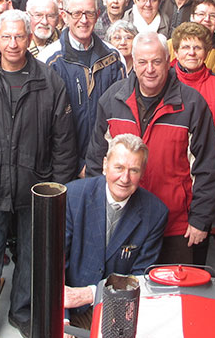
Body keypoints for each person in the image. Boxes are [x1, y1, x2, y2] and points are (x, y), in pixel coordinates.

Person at [0, 10, 79, 338]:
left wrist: (58, 188)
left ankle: (21, 312)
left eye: (19, 37)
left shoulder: (49, 80)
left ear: (29, 39)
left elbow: (64, 139)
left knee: (30, 259)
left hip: (35, 188)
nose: (13, 44)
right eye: (6, 37)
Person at [86, 31, 215, 265]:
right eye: (143, 62)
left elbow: (207, 167)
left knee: (172, 296)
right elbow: (97, 162)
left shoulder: (191, 105)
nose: (149, 69)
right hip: (123, 222)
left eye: (156, 61)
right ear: (133, 64)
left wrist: (200, 220)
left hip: (176, 225)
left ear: (169, 62)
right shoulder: (112, 100)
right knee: (126, 291)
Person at [62, 134, 168, 328]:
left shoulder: (156, 213)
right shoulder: (72, 197)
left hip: (118, 310)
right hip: (69, 307)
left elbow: (140, 279)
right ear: (104, 165)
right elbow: (55, 265)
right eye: (118, 167)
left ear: (142, 173)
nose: (125, 178)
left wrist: (93, 293)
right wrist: (64, 321)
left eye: (133, 170)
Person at [39, 0, 126, 170]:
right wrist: (77, 165)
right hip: (63, 167)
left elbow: (120, 117)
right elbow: (44, 123)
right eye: (77, 13)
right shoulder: (49, 60)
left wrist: (102, 161)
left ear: (97, 14)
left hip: (105, 164)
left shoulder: (113, 58)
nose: (84, 20)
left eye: (90, 13)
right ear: (64, 16)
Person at [170, 22, 215, 120]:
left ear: (206, 53)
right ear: (176, 52)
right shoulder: (163, 82)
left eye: (197, 48)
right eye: (186, 47)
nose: (192, 53)